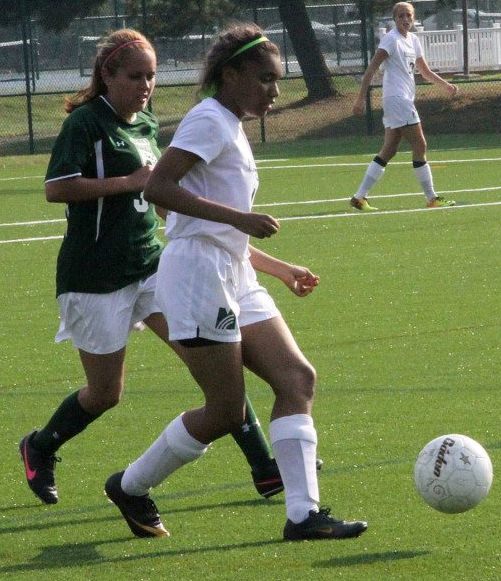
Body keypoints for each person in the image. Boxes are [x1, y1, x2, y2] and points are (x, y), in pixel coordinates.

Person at [104, 23, 368, 542]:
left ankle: (303, 515)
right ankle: (130, 485)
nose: (275, 91)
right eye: (265, 79)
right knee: (226, 411)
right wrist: (240, 218)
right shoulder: (209, 119)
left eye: (277, 80)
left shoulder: (230, 124)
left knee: (297, 379)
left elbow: (218, 229)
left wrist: (281, 268)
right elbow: (159, 189)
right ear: (230, 75)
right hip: (198, 277)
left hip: (232, 271)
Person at [18, 28, 293, 507]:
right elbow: (57, 188)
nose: (145, 86)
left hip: (151, 266)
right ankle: (40, 446)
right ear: (107, 75)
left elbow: (167, 202)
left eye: (151, 76)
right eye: (135, 76)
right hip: (94, 275)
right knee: (106, 393)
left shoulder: (145, 124)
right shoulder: (85, 123)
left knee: (215, 358)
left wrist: (265, 262)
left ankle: (265, 467)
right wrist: (130, 181)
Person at [351, 1, 458, 212]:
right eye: (401, 16)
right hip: (397, 99)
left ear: (414, 17)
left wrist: (445, 85)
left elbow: (424, 71)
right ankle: (432, 197)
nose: (405, 19)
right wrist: (360, 98)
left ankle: (359, 197)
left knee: (389, 149)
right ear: (395, 19)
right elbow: (371, 69)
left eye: (409, 15)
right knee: (420, 145)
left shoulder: (414, 40)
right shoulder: (391, 40)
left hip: (401, 100)